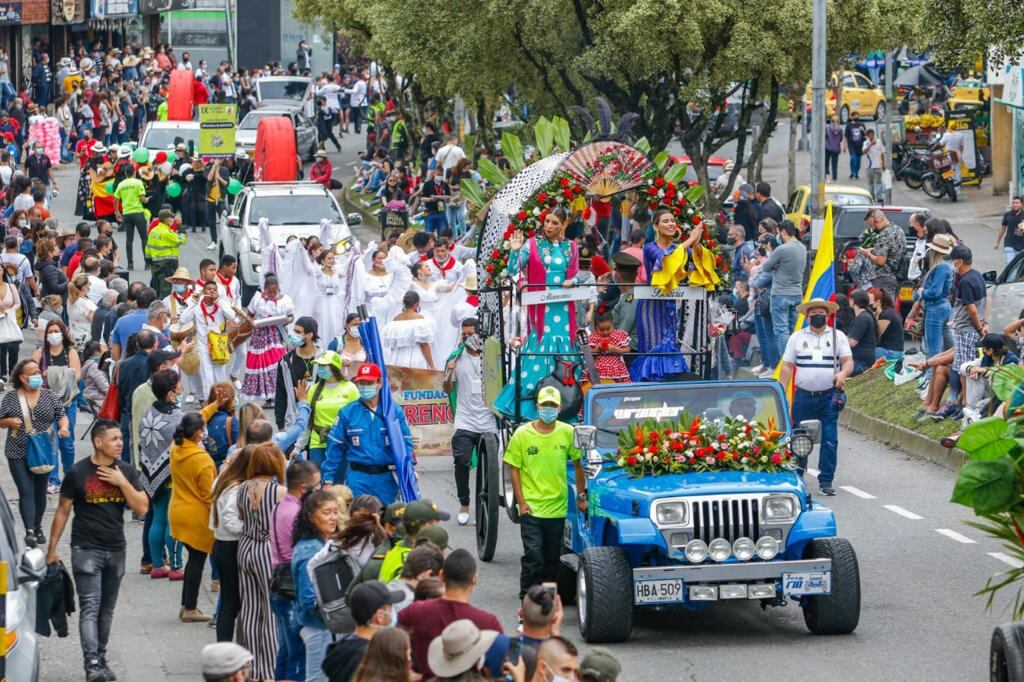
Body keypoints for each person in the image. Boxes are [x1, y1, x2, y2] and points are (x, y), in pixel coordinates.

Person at [45, 420, 147, 682]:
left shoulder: (125, 470)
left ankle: (100, 658)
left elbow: (142, 508)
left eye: (121, 437)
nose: (120, 443)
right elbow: (63, 510)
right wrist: (52, 549)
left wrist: (122, 482)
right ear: (98, 442)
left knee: (107, 609)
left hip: (116, 548)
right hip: (85, 548)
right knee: (91, 606)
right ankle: (91, 663)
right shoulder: (78, 473)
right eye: (114, 438)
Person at [494, 207, 580, 419]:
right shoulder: (532, 244)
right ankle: (530, 409)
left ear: (564, 225)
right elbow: (515, 269)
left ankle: (567, 407)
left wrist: (574, 281)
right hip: (542, 310)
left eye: (555, 223)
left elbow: (577, 273)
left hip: (564, 306)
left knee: (566, 352)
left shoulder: (572, 246)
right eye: (547, 221)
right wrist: (515, 250)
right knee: (540, 349)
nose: (549, 226)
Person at [503, 387, 586, 598]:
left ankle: (547, 603)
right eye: (544, 405)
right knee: (533, 558)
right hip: (532, 508)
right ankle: (526, 603)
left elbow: (578, 464)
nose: (548, 409)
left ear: (559, 408)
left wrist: (581, 496)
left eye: (552, 406)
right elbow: (514, 468)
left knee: (551, 562)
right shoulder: (522, 434)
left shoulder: (567, 432)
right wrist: (521, 502)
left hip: (557, 509)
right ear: (537, 407)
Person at [778, 299, 854, 496]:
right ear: (807, 315)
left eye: (821, 312)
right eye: (814, 313)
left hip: (829, 396)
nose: (818, 315)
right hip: (803, 396)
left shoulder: (838, 337)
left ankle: (826, 480)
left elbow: (848, 361)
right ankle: (798, 475)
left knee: (830, 438)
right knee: (799, 437)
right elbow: (787, 366)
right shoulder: (796, 337)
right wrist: (782, 392)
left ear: (828, 315)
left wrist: (843, 374)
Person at [630, 209, 710, 382]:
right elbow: (667, 259)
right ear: (656, 226)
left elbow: (696, 262)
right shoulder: (650, 247)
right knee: (654, 347)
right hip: (651, 305)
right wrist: (689, 240)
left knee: (670, 345)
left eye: (673, 220)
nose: (671, 224)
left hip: (670, 304)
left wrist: (696, 242)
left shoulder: (678, 248)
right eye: (665, 221)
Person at [397, 549, 503, 679]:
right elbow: (508, 660)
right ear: (474, 579)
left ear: (441, 576)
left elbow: (392, 642)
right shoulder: (488, 622)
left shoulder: (414, 612)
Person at [323, 362, 413, 504]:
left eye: (369, 383)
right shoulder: (347, 412)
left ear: (380, 383)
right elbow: (334, 448)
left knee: (388, 522)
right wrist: (328, 480)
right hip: (358, 479)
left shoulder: (393, 412)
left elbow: (406, 443)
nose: (365, 387)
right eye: (362, 383)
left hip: (386, 479)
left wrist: (410, 469)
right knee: (359, 521)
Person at [237, 442, 287, 681]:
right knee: (269, 610)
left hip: (245, 545)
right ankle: (268, 670)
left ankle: (250, 668)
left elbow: (240, 516)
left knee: (249, 608)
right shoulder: (279, 491)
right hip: (267, 549)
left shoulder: (241, 488)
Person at [271, 460, 320, 681]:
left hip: (281, 584)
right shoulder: (294, 513)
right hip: (291, 588)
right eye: (316, 486)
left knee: (286, 650)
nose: (319, 491)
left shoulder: (282, 505)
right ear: (304, 488)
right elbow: (295, 556)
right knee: (297, 656)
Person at [138, 370, 189, 582]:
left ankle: (158, 564)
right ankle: (177, 567)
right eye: (178, 386)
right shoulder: (177, 417)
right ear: (170, 394)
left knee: (158, 519)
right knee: (172, 522)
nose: (181, 389)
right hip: (171, 475)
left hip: (150, 473)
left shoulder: (148, 413)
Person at [168, 410, 217, 622]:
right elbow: (209, 496)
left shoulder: (176, 448)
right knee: (197, 561)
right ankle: (190, 608)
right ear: (198, 433)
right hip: (196, 515)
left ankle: (186, 605)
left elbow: (199, 415)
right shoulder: (202, 460)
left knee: (193, 561)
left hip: (177, 509)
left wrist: (213, 404)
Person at [443, 331, 496, 525]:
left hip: (488, 420)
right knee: (462, 461)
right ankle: (464, 504)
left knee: (490, 465)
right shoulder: (456, 358)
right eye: (464, 334)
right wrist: (449, 373)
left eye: (471, 334)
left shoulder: (493, 356)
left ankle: (488, 500)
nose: (468, 338)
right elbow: (447, 389)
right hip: (465, 420)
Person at [291, 489, 341, 681]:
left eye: (335, 511)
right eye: (327, 513)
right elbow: (308, 598)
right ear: (311, 517)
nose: (333, 517)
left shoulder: (321, 543)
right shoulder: (310, 550)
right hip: (318, 626)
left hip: (324, 625)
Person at [322, 580, 405, 682]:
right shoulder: (370, 658)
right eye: (390, 608)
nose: (392, 613)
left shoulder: (341, 647)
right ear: (380, 616)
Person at [755, 221, 808, 378]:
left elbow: (765, 267)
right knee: (793, 330)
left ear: (783, 232)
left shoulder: (782, 249)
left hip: (780, 294)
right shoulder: (802, 247)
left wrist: (776, 264)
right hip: (797, 294)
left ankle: (784, 366)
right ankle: (796, 364)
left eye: (779, 232)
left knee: (781, 331)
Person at [33, 320, 81, 493]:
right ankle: (53, 479)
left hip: (67, 402)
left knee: (67, 443)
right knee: (51, 442)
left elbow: (77, 375)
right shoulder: (40, 353)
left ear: (63, 333)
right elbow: (31, 373)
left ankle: (70, 477)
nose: (53, 334)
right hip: (46, 403)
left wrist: (52, 374)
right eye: (50, 331)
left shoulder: (71, 353)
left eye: (56, 331)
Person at [179, 279, 237, 400]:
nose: (211, 291)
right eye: (208, 289)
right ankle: (210, 404)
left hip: (219, 346)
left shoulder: (221, 304)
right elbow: (183, 320)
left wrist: (219, 301)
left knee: (220, 376)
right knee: (207, 377)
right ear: (203, 291)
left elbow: (232, 315)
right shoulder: (197, 306)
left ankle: (225, 401)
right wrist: (193, 302)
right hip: (203, 347)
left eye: (214, 290)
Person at [242, 274, 293, 402]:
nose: (271, 294)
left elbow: (291, 316)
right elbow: (249, 315)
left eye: (274, 292)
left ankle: (278, 394)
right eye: (269, 291)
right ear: (264, 289)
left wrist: (287, 320)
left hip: (278, 334)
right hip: (261, 337)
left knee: (278, 363)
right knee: (262, 365)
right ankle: (267, 397)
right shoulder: (258, 299)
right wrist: (252, 322)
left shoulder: (285, 300)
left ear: (278, 290)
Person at [306, 350, 359, 467]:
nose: (320, 369)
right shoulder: (313, 389)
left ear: (334, 367)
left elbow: (357, 417)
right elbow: (307, 420)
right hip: (318, 442)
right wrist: (298, 447)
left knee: (337, 483)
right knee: (318, 481)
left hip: (342, 441)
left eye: (324, 366)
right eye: (319, 366)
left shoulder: (350, 388)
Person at [950, 243, 988, 401]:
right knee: (967, 366)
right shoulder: (978, 275)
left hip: (966, 330)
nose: (953, 265)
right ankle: (963, 401)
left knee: (964, 368)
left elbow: (971, 309)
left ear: (959, 261)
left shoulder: (965, 281)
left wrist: (979, 328)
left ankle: (966, 402)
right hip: (975, 328)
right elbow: (986, 301)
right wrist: (984, 323)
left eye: (953, 261)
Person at [917, 234, 956, 365]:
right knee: (949, 344)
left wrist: (922, 292)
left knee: (933, 347)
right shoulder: (946, 266)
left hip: (935, 308)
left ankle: (930, 376)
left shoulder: (940, 267)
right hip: (944, 307)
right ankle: (950, 368)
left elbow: (935, 292)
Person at [275, 316, 319, 430]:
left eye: (298, 332)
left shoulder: (323, 359)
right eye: (294, 331)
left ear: (310, 335)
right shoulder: (285, 361)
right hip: (293, 421)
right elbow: (280, 393)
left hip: (318, 422)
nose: (293, 335)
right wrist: (280, 425)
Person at [383, 290, 437, 370]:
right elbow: (424, 345)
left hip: (396, 360)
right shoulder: (420, 320)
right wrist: (432, 366)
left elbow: (393, 346)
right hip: (416, 359)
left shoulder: (395, 320)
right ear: (417, 304)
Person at [113, 165, 149, 271]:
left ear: (125, 174)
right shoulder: (138, 182)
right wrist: (146, 200)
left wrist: (117, 212)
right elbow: (142, 198)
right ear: (134, 173)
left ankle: (130, 264)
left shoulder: (121, 184)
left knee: (129, 239)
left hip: (127, 213)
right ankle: (147, 263)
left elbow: (115, 200)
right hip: (138, 212)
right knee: (144, 238)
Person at [145, 209, 186, 296]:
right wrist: (180, 226)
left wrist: (149, 262)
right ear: (166, 219)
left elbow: (148, 248)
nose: (172, 220)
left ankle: (155, 304)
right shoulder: (166, 233)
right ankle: (162, 307)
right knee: (165, 291)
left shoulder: (154, 231)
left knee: (156, 287)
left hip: (155, 265)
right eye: (171, 217)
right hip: (167, 266)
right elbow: (182, 240)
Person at [846, 289, 877, 375]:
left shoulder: (862, 318)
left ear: (852, 301)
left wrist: (839, 339)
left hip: (860, 363)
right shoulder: (866, 315)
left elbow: (852, 342)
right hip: (862, 361)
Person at [869, 287, 904, 361]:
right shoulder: (884, 312)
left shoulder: (885, 315)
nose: (868, 303)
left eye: (870, 300)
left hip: (892, 352)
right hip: (888, 349)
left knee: (862, 353)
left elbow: (876, 335)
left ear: (878, 302)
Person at [997, 196, 1024, 265]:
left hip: (1021, 245)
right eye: (1013, 203)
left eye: (1017, 203)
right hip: (1009, 244)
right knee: (1010, 264)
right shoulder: (1007, 214)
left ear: (1021, 204)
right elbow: (1003, 229)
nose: (1015, 204)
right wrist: (998, 242)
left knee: (1018, 266)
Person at [862, 129, 886, 202]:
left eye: (872, 134)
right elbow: (864, 151)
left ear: (874, 134)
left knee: (879, 182)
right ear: (867, 136)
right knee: (871, 183)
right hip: (869, 166)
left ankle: (879, 197)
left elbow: (882, 153)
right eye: (869, 135)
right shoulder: (866, 143)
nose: (871, 136)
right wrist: (870, 144)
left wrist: (883, 164)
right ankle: (871, 196)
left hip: (878, 165)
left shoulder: (879, 142)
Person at [843, 111, 867, 179]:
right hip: (851, 145)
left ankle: (856, 173)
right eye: (855, 116)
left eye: (858, 116)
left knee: (858, 161)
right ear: (852, 117)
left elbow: (866, 134)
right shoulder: (849, 125)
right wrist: (845, 146)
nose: (857, 117)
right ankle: (852, 172)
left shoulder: (861, 124)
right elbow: (845, 136)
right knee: (853, 159)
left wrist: (863, 130)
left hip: (860, 145)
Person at [824, 116, 843, 181]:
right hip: (836, 149)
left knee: (826, 164)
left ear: (831, 121)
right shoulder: (840, 129)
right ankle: (834, 179)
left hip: (828, 148)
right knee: (834, 165)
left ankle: (828, 178)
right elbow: (841, 139)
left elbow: (825, 137)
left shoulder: (827, 128)